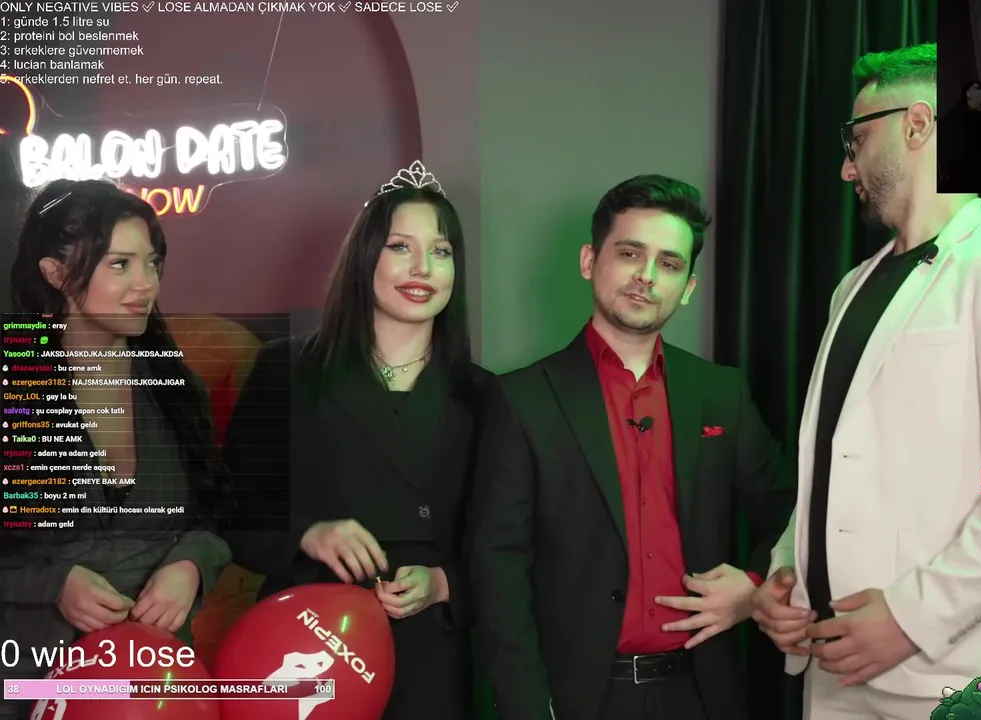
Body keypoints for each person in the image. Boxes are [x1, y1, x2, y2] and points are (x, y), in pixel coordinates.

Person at [750, 44, 981, 720]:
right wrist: (785, 574)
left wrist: (910, 618)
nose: (847, 166)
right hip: (834, 668)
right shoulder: (852, 286)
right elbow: (835, 465)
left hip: (957, 676)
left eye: (856, 140)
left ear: (915, 124)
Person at [470, 175, 797, 720]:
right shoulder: (522, 399)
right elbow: (497, 569)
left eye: (669, 264)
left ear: (688, 286)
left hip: (702, 693)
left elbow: (790, 509)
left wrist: (755, 584)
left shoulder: (721, 393)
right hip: (578, 699)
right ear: (589, 261)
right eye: (630, 254)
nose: (647, 275)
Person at [221, 162, 494, 720]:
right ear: (365, 257)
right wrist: (308, 534)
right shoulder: (286, 371)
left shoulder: (485, 396)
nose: (422, 268)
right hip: (305, 646)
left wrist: (445, 584)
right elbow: (230, 512)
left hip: (431, 662)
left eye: (441, 251)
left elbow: (511, 544)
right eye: (400, 247)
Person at [0, 179, 231, 719]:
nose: (145, 284)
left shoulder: (178, 392)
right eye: (120, 265)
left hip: (158, 687)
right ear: (56, 274)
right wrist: (51, 584)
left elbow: (216, 515)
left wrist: (192, 563)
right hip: (28, 678)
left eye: (152, 264)